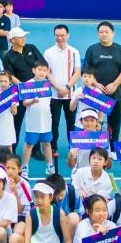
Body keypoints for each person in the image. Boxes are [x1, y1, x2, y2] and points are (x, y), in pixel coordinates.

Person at [82, 21, 121, 133]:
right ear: (98, 34)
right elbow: (85, 71)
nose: (104, 34)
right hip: (95, 94)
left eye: (106, 32)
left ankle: (112, 144)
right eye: (101, 32)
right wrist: (96, 84)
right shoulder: (92, 49)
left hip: (116, 94)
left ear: (113, 33)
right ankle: (94, 144)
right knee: (93, 123)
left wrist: (114, 85)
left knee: (114, 126)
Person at [44, 24, 82, 152]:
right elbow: (47, 73)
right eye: (57, 35)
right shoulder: (48, 52)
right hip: (53, 94)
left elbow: (77, 72)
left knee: (71, 122)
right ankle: (53, 148)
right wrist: (58, 88)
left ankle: (73, 148)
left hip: (70, 95)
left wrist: (66, 87)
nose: (60, 38)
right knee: (53, 122)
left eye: (62, 35)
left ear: (68, 35)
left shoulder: (74, 52)